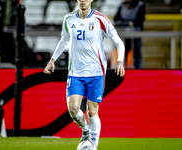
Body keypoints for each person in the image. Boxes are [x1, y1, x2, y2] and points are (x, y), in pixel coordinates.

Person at [44, 0, 125, 149]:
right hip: (75, 72)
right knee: (73, 109)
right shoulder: (69, 19)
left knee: (92, 110)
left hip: (96, 72)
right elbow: (64, 40)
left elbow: (119, 42)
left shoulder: (100, 19)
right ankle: (86, 131)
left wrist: (119, 61)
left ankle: (93, 144)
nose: (83, 0)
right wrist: (52, 59)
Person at [114, 0, 145, 69]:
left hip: (135, 33)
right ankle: (122, 67)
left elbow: (141, 19)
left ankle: (138, 68)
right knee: (123, 51)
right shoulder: (122, 5)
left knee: (136, 53)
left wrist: (132, 23)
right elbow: (116, 18)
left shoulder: (140, 4)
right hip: (124, 34)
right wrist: (123, 23)